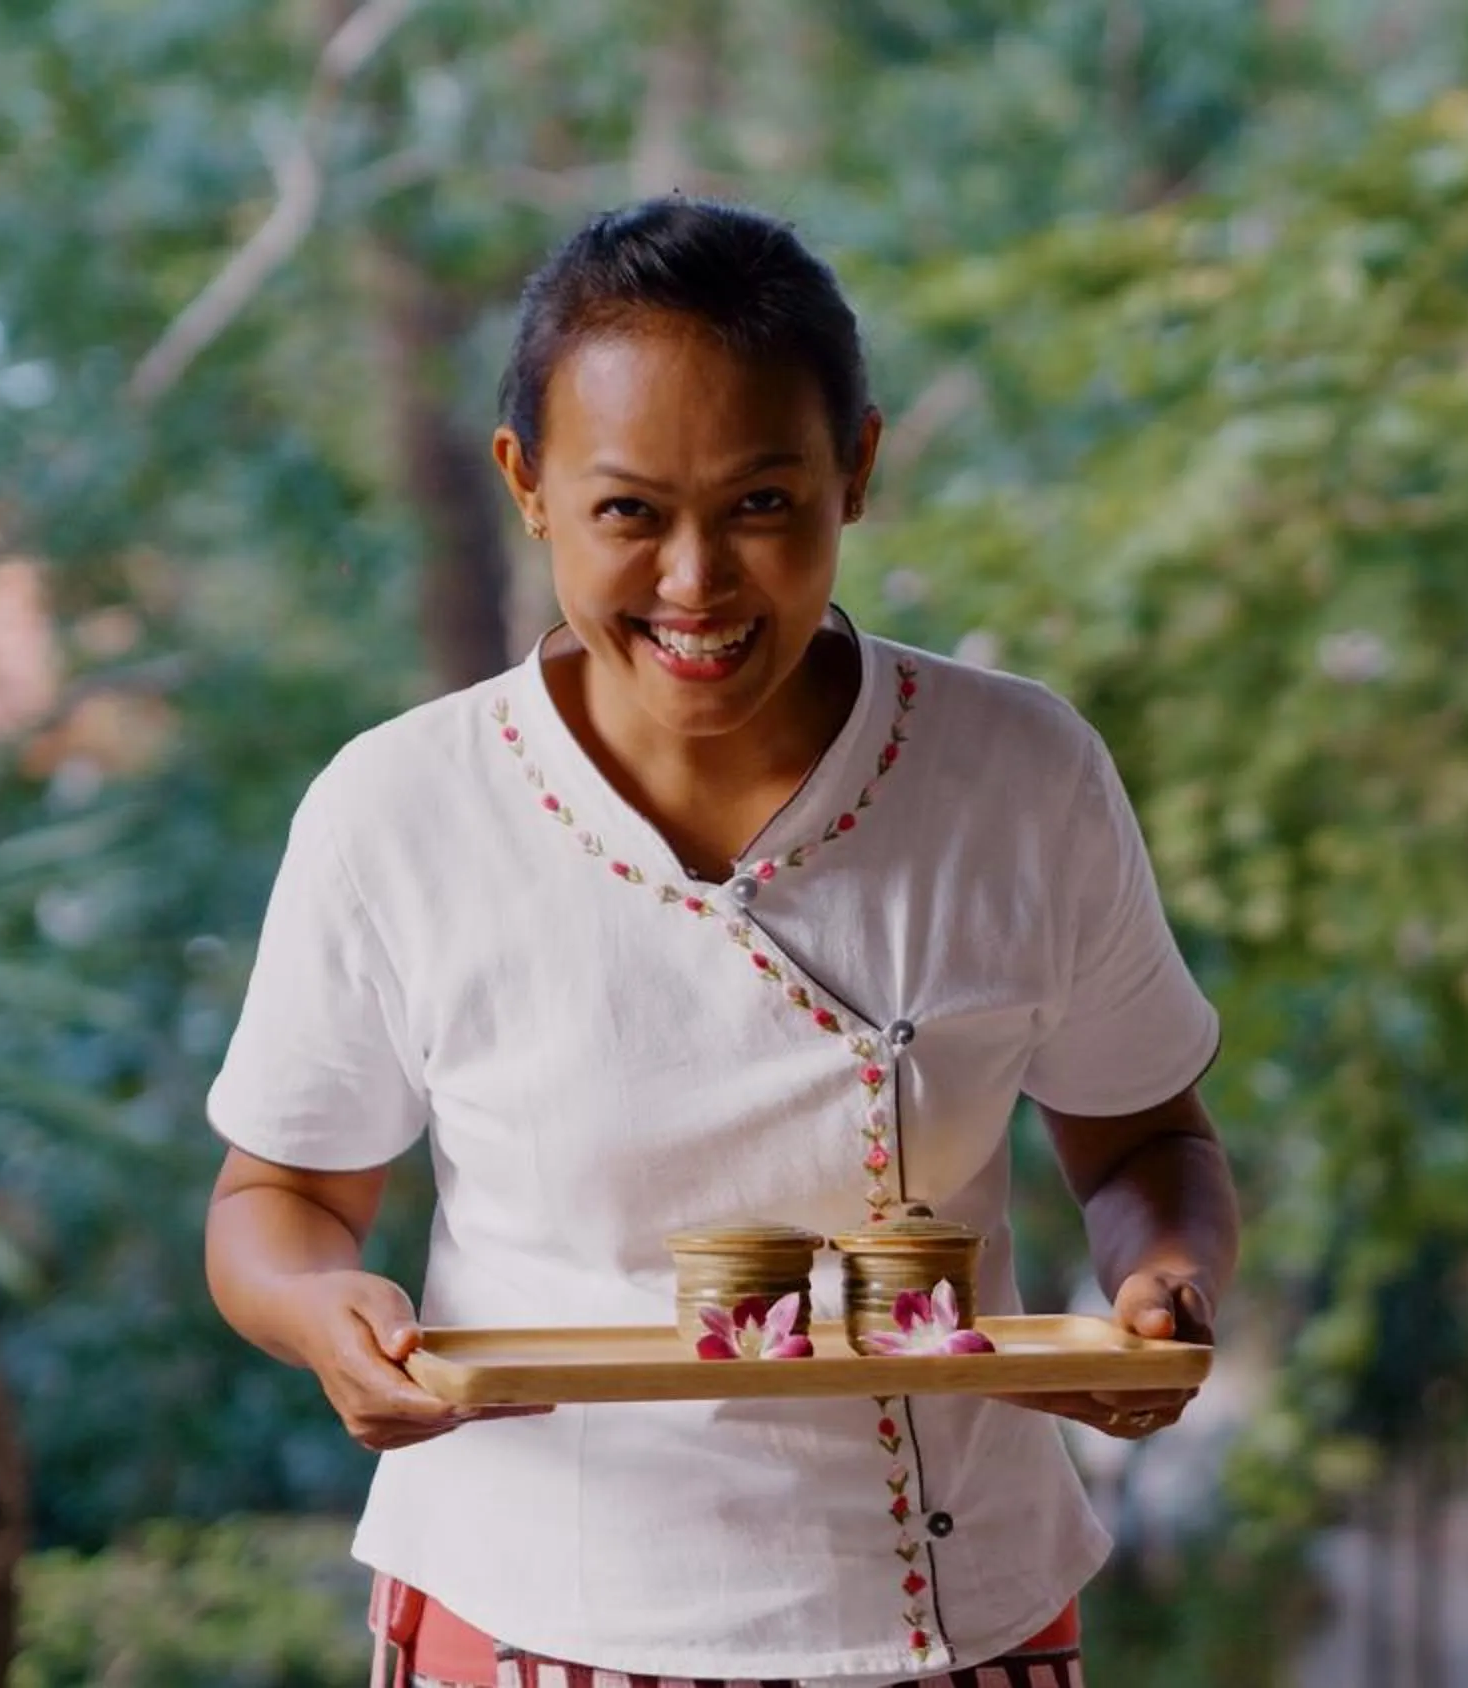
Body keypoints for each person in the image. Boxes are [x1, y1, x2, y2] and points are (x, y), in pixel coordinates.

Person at [202, 196, 1238, 1688]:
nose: (695, 582)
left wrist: (1162, 1288)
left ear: (855, 470)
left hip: (963, 1621)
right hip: (536, 1607)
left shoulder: (1023, 775)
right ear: (528, 485)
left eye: (761, 503)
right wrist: (322, 1312)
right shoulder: (402, 808)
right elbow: (278, 1197)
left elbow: (1148, 1139)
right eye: (631, 512)